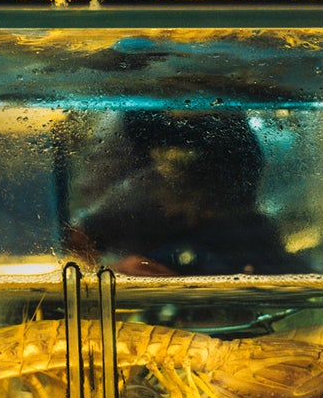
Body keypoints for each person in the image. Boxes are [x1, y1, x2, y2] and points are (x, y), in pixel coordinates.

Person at [71, 110, 297, 276]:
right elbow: (79, 242)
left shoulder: (243, 231)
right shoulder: (134, 205)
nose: (86, 182)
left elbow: (279, 272)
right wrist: (113, 271)